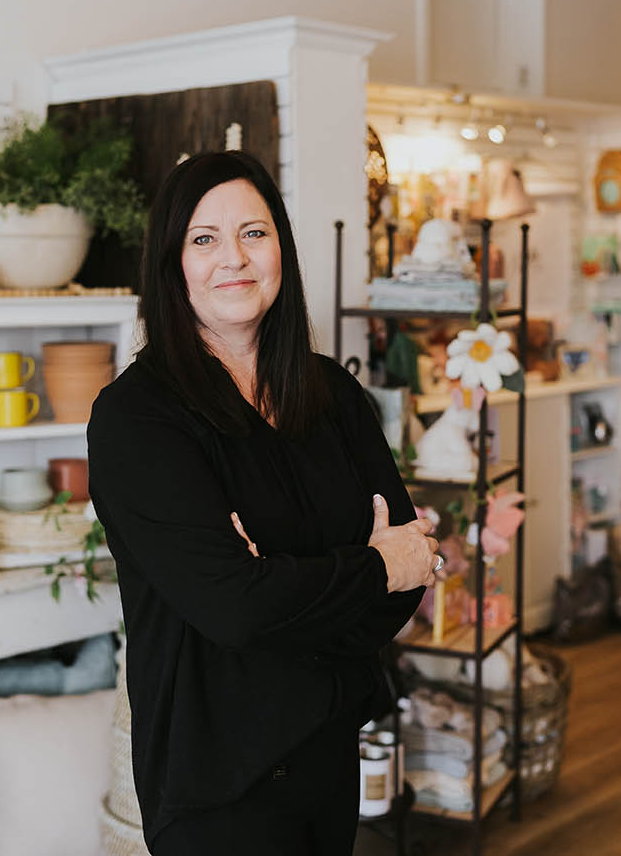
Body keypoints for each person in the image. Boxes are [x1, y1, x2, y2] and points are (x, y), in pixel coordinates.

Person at [88, 151, 441, 855]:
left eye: (254, 232)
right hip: (215, 786)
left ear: (282, 245)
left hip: (327, 754)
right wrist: (369, 565)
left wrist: (284, 582)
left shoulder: (333, 395)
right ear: (172, 263)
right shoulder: (138, 417)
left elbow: (411, 570)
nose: (233, 258)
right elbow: (237, 607)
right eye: (203, 238)